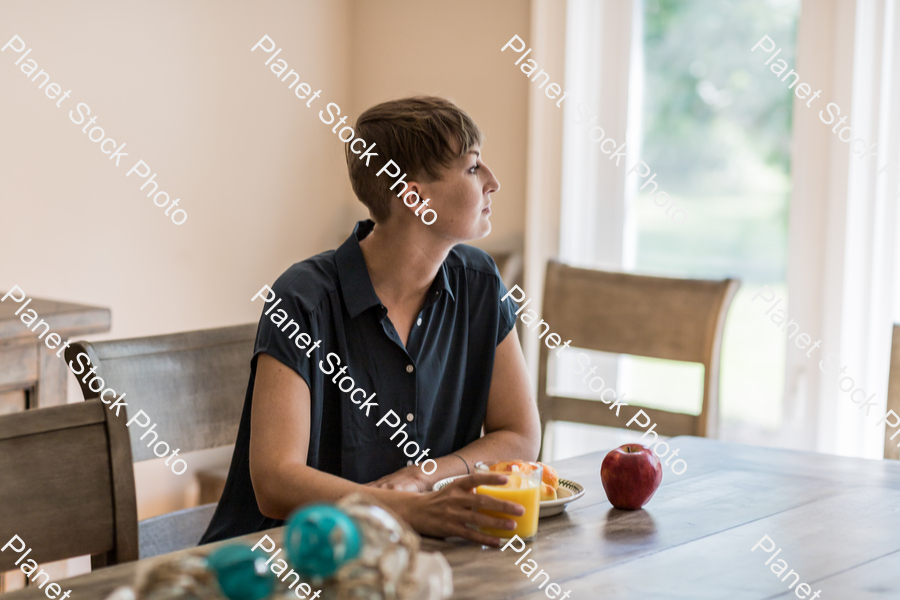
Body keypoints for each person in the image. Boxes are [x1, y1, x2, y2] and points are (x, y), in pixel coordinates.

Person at [201, 96, 541, 547]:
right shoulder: (302, 299)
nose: (493, 181)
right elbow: (275, 483)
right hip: (280, 565)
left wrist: (420, 479)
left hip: (412, 556)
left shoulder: (480, 284)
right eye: (473, 167)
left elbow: (519, 435)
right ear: (415, 197)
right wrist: (412, 509)